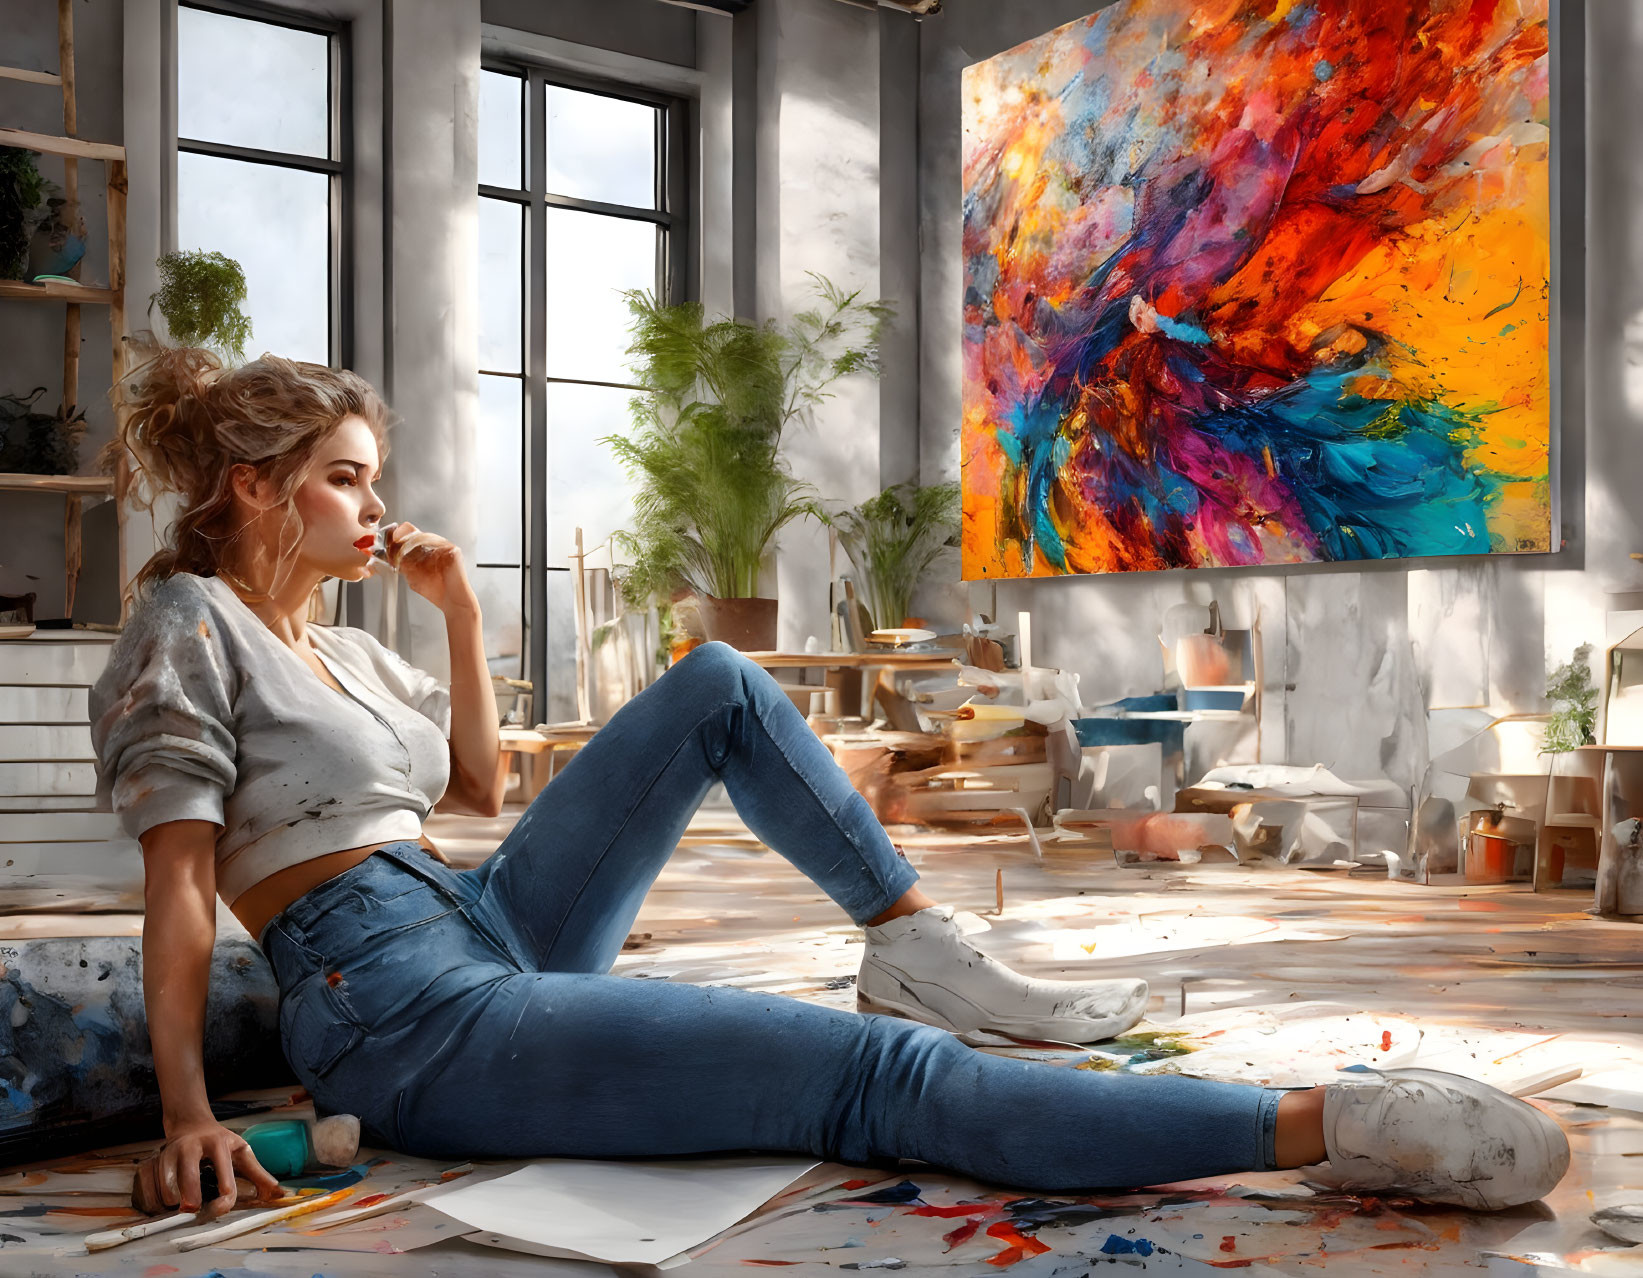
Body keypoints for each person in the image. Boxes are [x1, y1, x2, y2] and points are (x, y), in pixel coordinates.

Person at [90, 345, 1570, 1223]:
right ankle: (1326, 1124)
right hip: (389, 1002)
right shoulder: (189, 627)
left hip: (478, 912)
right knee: (866, 1080)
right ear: (255, 488)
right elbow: (176, 882)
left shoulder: (343, 646)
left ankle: (916, 941)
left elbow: (477, 788)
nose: (376, 503)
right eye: (347, 476)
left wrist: (463, 613)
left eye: (372, 473)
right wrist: (181, 1113)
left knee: (720, 684)